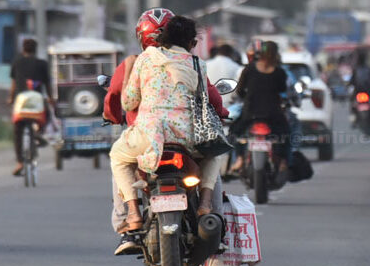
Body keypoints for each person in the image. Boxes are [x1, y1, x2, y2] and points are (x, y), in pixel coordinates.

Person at [109, 15, 228, 241]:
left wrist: (127, 80)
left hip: (148, 135)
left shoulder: (144, 60)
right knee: (213, 154)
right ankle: (205, 204)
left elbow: (128, 103)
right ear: (192, 43)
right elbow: (204, 101)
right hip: (187, 137)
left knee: (118, 156)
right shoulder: (197, 64)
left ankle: (133, 213)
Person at [234, 40, 293, 174]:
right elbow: (282, 89)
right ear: (276, 54)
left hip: (250, 113)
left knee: (235, 132)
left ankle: (239, 158)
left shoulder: (249, 69)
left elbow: (240, 90)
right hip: (273, 114)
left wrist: (246, 99)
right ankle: (284, 161)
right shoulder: (280, 72)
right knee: (287, 134)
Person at [8, 38, 53, 176]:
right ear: (35, 49)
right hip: (37, 104)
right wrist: (50, 99)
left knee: (17, 131)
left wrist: (10, 98)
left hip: (21, 104)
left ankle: (20, 162)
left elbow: (14, 84)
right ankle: (39, 133)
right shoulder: (42, 64)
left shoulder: (17, 62)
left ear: (23, 49)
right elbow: (47, 84)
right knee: (48, 115)